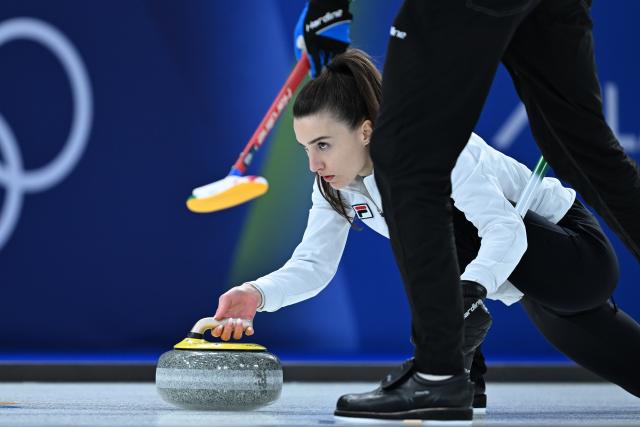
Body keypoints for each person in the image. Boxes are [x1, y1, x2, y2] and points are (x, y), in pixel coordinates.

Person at [212, 50, 640, 422]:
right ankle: (464, 374)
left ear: (365, 130)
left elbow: (504, 229)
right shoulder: (334, 185)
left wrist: (468, 292)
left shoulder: (434, 148)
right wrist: (257, 293)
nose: (314, 165)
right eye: (306, 149)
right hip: (537, 291)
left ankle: (445, 366)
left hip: (576, 256)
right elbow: (314, 265)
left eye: (323, 145)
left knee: (420, 216)